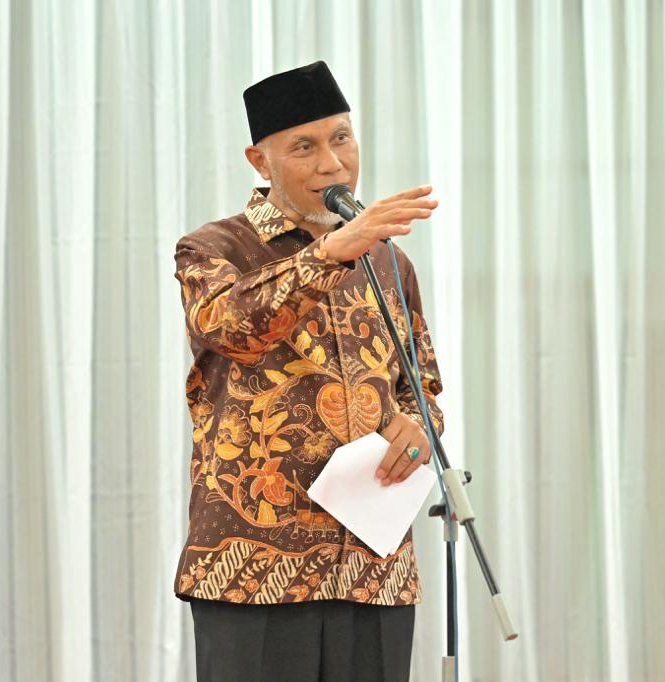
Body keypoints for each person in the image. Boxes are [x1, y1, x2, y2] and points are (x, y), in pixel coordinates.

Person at [172, 61, 445, 681]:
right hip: (254, 571)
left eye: (341, 138)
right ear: (260, 161)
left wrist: (419, 427)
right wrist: (329, 254)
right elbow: (232, 328)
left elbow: (420, 382)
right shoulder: (213, 248)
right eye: (305, 147)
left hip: (372, 565)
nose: (332, 164)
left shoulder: (389, 261)